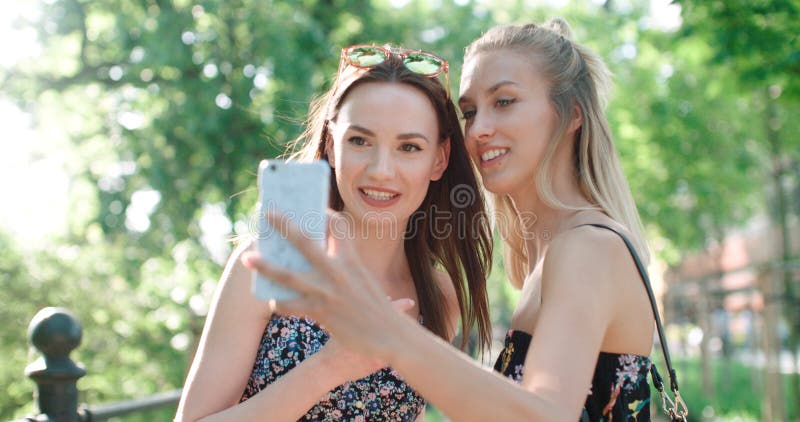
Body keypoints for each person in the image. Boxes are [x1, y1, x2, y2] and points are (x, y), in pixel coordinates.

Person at [243, 19, 663, 421]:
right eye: (469, 111)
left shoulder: (587, 246)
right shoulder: (548, 258)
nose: (479, 129)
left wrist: (385, 331)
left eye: (504, 102)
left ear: (572, 113)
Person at [176, 44, 493, 421]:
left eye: (409, 147)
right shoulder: (267, 264)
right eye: (359, 140)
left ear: (438, 159)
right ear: (330, 144)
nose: (381, 170)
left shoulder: (439, 295)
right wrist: (330, 366)